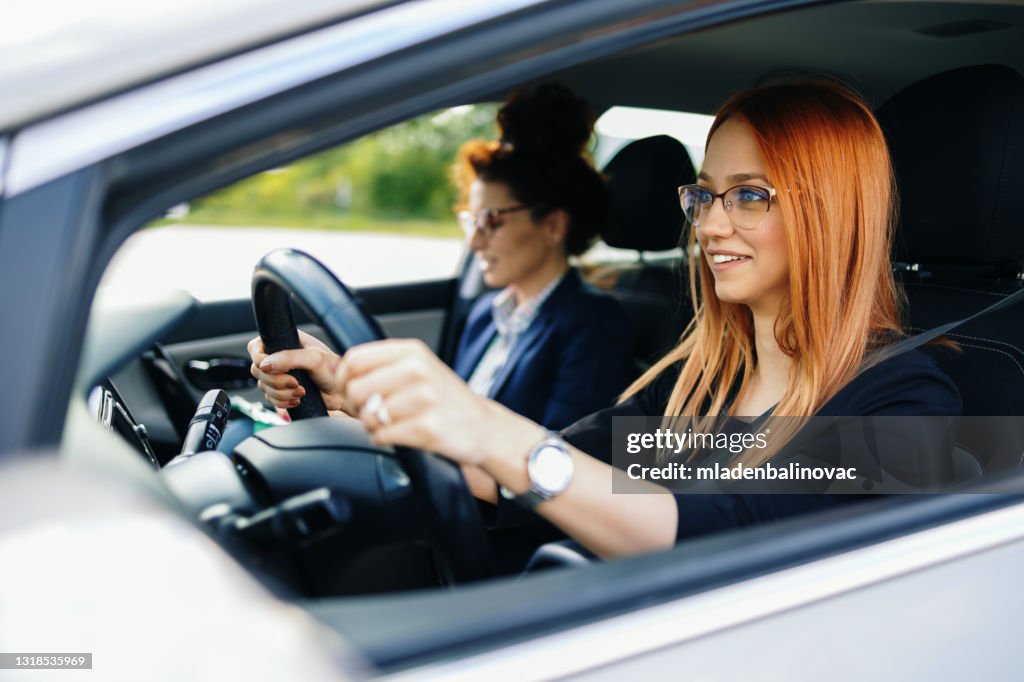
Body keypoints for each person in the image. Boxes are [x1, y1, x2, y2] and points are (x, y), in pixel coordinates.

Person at [249, 79, 962, 559]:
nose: (709, 226)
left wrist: (490, 426)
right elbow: (514, 476)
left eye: (748, 196)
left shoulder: (909, 402)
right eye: (704, 196)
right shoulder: (696, 381)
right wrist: (355, 395)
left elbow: (719, 539)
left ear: (829, 211)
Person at [449, 83, 635, 430]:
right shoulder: (485, 315)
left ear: (552, 225)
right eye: (472, 221)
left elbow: (567, 461)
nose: (474, 242)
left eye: (491, 220)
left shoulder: (594, 327)